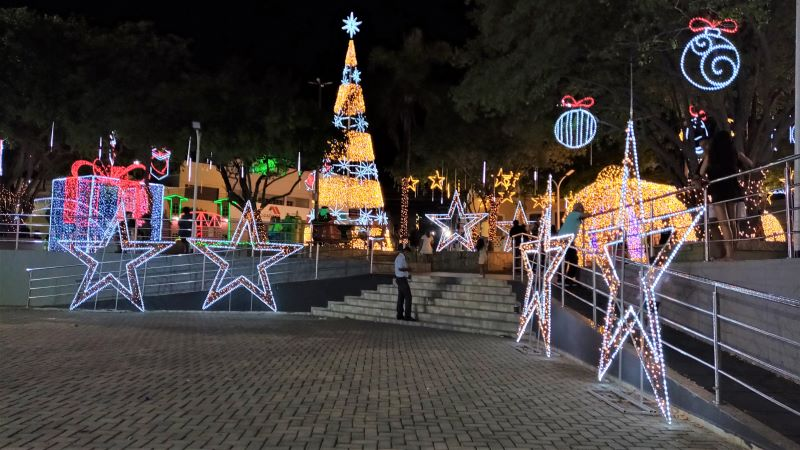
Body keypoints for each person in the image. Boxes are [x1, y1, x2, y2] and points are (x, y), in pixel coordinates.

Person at [699, 130, 753, 260]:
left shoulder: (711, 155)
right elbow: (750, 164)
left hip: (717, 189)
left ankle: (729, 254)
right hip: (732, 188)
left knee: (724, 224)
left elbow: (701, 172)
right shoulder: (733, 153)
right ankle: (734, 252)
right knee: (732, 222)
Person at [558, 203, 587, 285]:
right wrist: (591, 214)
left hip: (564, 239)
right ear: (580, 209)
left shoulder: (571, 215)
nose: (583, 210)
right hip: (567, 239)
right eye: (582, 208)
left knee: (566, 258)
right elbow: (585, 215)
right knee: (573, 259)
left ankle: (562, 279)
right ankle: (566, 280)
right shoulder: (575, 214)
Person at [394, 245, 416, 321]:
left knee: (401, 297)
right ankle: (407, 316)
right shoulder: (401, 258)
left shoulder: (399, 257)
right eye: (408, 253)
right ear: (405, 251)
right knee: (408, 297)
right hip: (402, 280)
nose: (408, 254)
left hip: (400, 279)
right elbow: (400, 268)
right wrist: (408, 269)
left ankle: (399, 315)